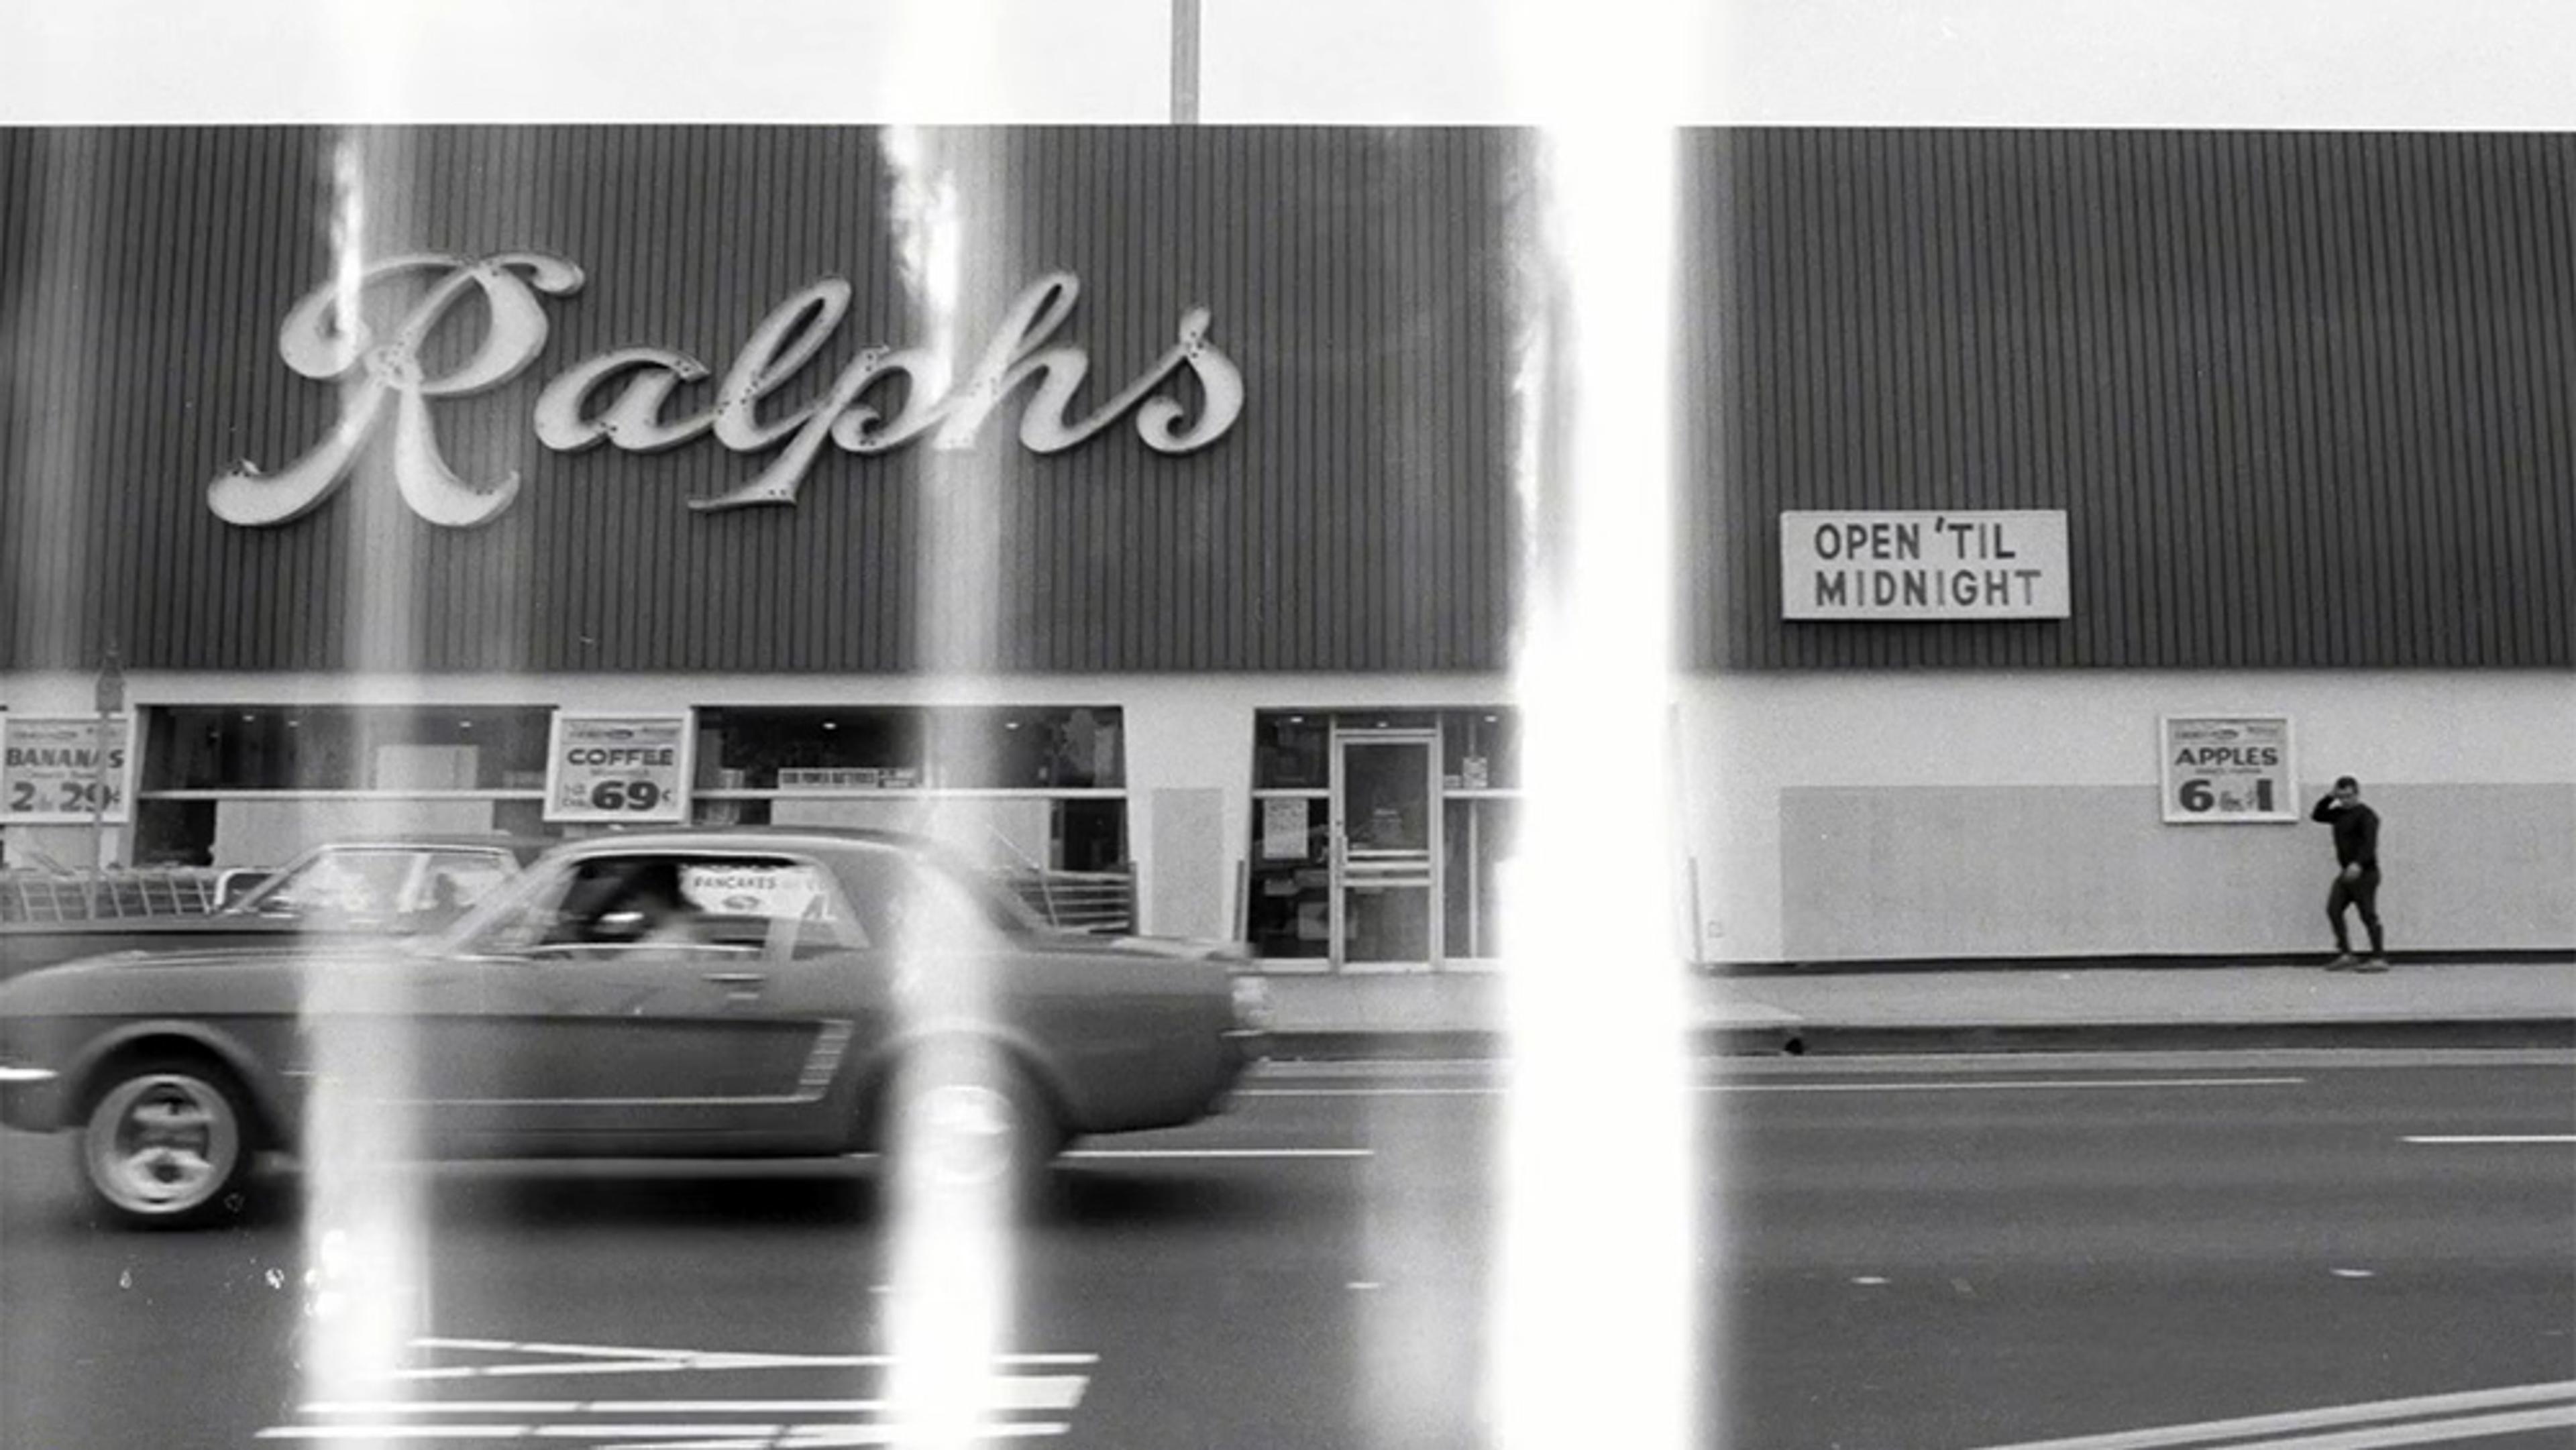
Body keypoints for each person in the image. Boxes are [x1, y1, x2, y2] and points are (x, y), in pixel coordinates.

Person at [2310, 776, 2385, 971]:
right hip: (2346, 874)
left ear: (2357, 794)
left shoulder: (2367, 815)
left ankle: (2379, 957)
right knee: (2334, 909)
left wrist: (2358, 864)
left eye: (2349, 796)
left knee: (2368, 914)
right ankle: (2346, 953)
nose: (2345, 801)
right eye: (2342, 797)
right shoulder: (2339, 814)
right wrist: (2329, 797)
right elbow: (2318, 815)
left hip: (2365, 873)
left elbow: (2370, 844)